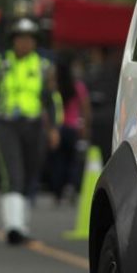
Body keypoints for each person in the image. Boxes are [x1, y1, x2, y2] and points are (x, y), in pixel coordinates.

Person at [0, 17, 62, 244]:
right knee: (13, 173)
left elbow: (52, 99)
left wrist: (54, 127)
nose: (24, 43)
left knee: (31, 174)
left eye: (29, 39)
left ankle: (22, 225)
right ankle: (12, 226)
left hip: (34, 126)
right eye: (20, 39)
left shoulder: (43, 66)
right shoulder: (2, 63)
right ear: (13, 41)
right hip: (7, 125)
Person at [45, 54, 90, 204]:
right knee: (73, 159)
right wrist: (85, 126)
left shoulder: (54, 88)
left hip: (57, 128)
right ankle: (71, 185)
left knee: (58, 160)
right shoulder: (77, 87)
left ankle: (57, 191)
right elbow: (85, 108)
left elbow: (47, 107)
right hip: (73, 128)